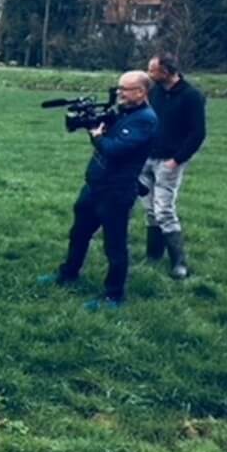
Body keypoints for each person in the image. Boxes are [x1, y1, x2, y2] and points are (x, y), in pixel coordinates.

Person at [39, 70, 157, 310]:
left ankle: (114, 296)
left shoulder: (145, 119)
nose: (119, 93)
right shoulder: (123, 112)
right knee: (78, 233)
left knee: (114, 245)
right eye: (119, 88)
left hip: (116, 191)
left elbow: (114, 149)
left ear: (141, 92)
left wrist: (96, 136)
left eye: (124, 89)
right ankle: (68, 274)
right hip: (94, 186)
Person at [142, 53, 207, 279]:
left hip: (169, 161)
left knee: (164, 210)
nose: (149, 74)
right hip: (147, 158)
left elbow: (198, 133)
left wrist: (176, 160)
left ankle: (179, 263)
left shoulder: (191, 96)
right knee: (150, 210)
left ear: (166, 71)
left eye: (153, 70)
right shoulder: (154, 92)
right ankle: (153, 256)